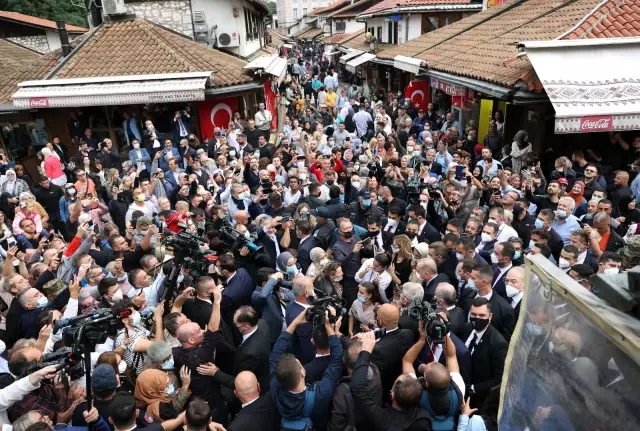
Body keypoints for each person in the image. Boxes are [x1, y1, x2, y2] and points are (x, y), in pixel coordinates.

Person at [270, 307, 343, 431]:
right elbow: (336, 360)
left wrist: (294, 323)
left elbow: (276, 352)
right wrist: (330, 329)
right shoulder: (321, 393)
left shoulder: (275, 386)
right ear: (302, 373)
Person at [460, 297, 508, 409]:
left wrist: (472, 388)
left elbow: (499, 378)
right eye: (474, 315)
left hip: (476, 398)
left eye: (482, 316)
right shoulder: (466, 329)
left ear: (490, 317)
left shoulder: (497, 343)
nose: (477, 319)